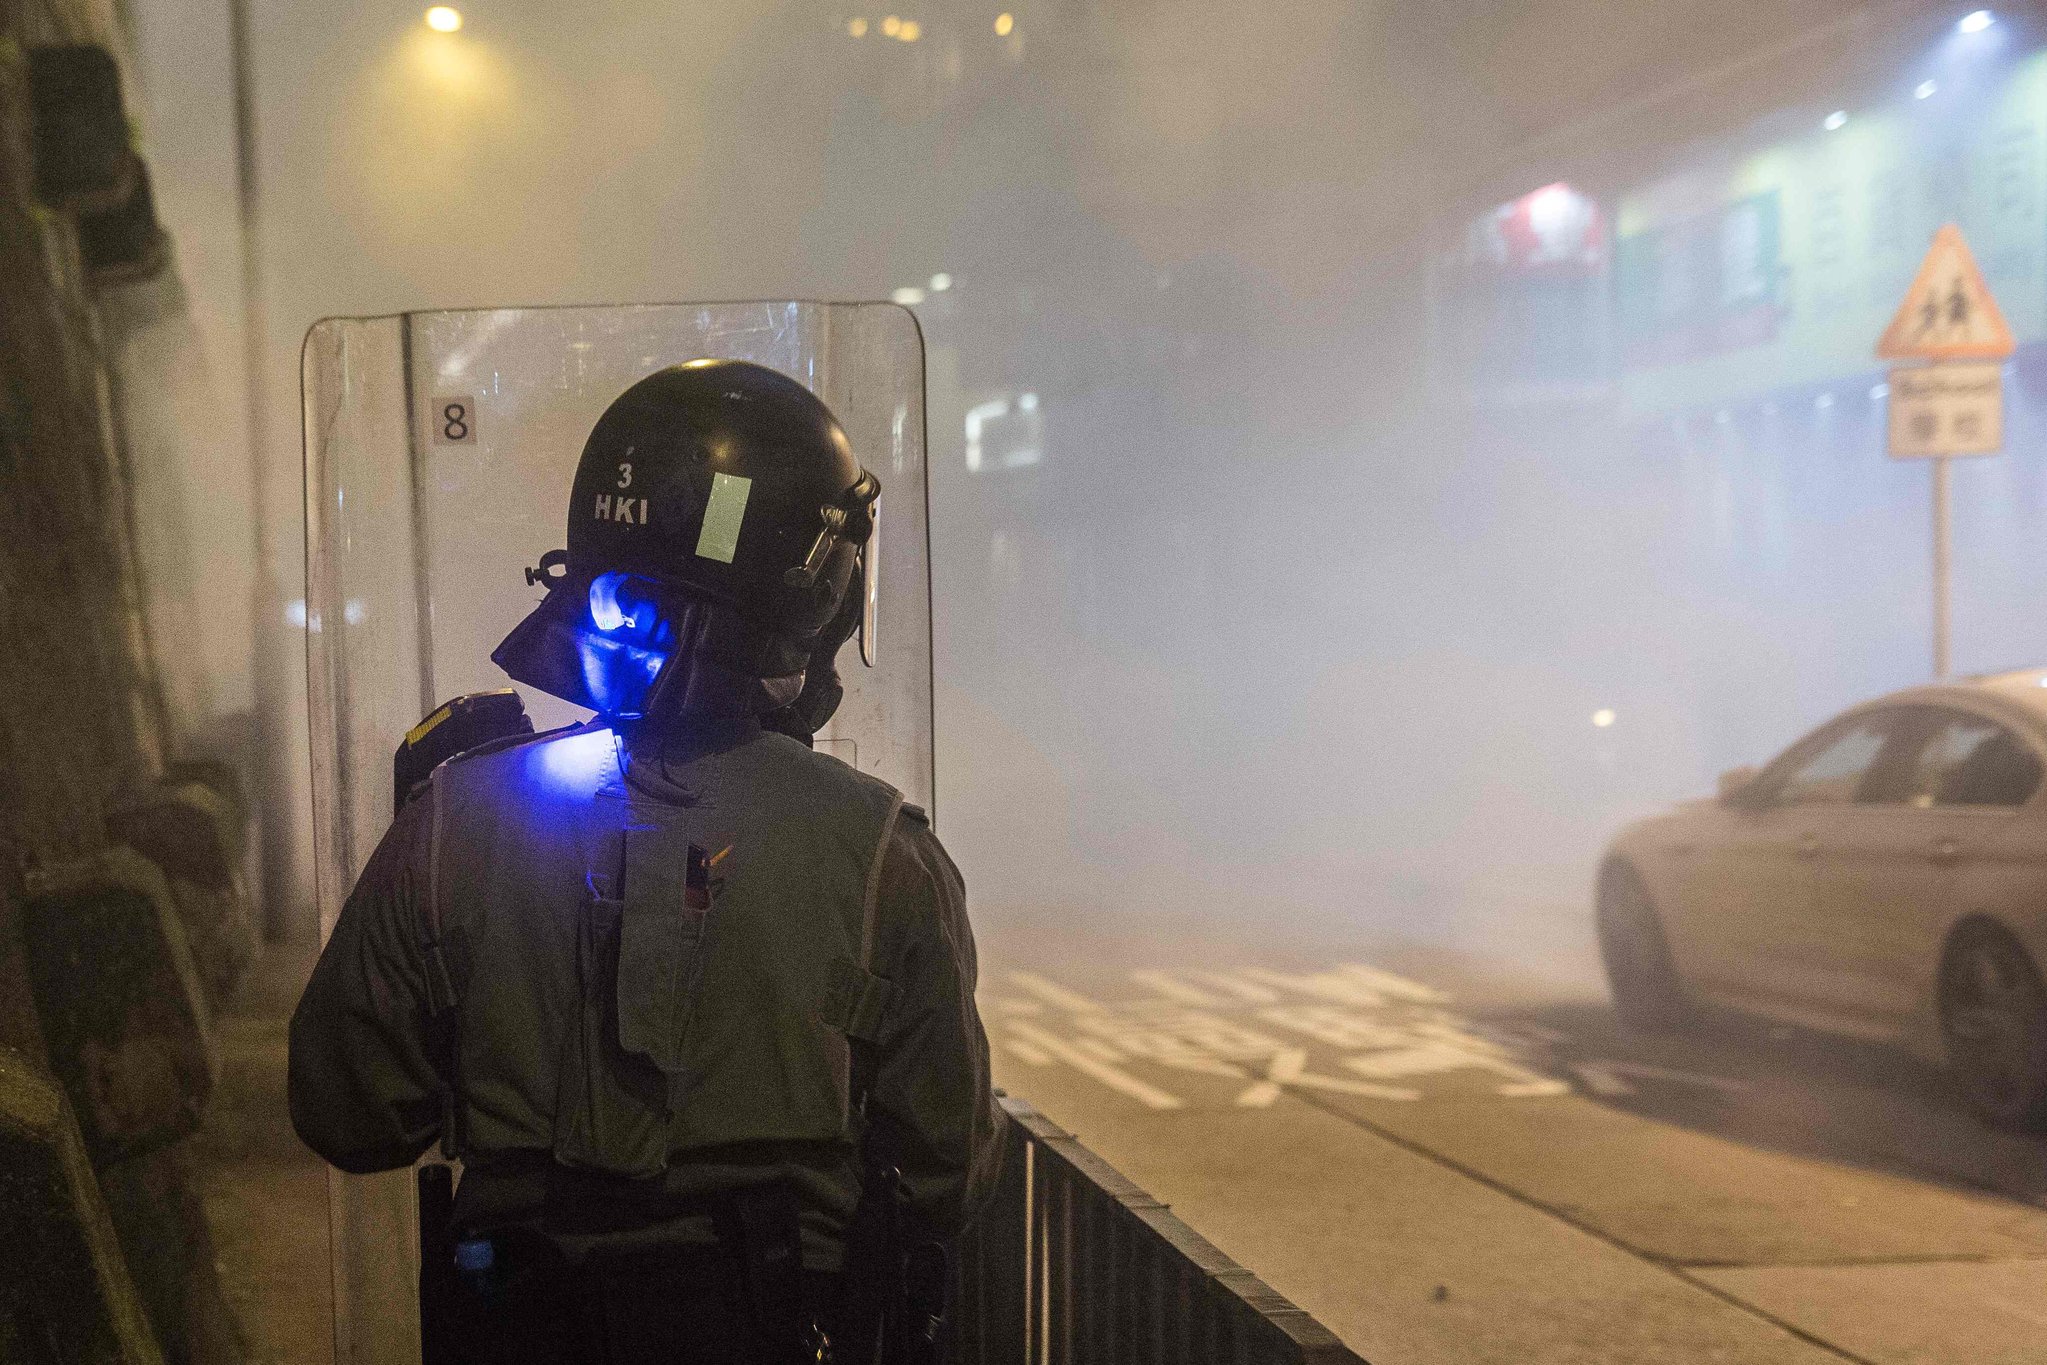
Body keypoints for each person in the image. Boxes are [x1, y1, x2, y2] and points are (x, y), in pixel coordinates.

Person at [288, 358, 1004, 1364]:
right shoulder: (886, 854)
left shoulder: (453, 816)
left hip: (516, 1328)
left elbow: (350, 1115)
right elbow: (944, 1176)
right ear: (812, 590)